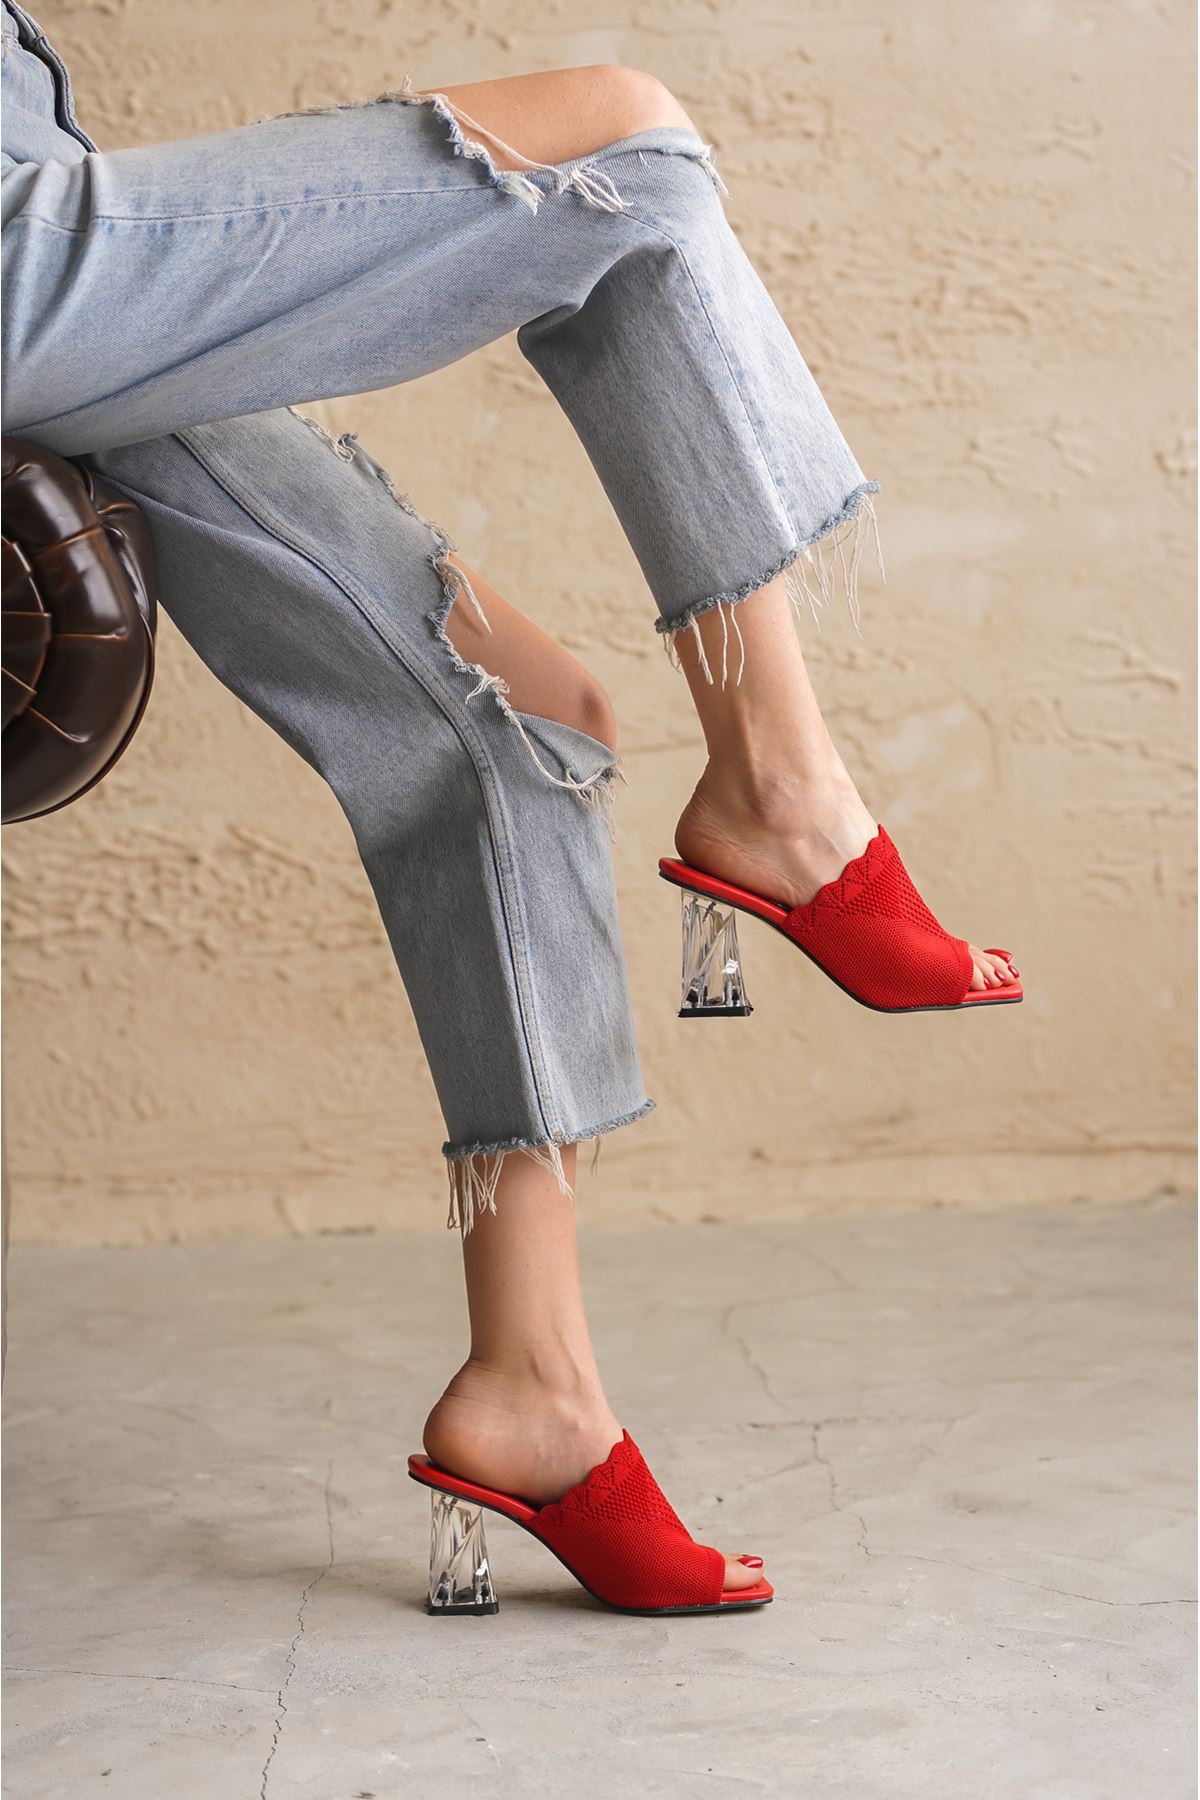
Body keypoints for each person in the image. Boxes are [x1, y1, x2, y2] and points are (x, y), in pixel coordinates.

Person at [1, 12, 1021, 1615]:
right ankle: (783, 796)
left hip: (54, 229)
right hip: (24, 257)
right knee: (627, 143)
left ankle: (535, 1390)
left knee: (523, 717)